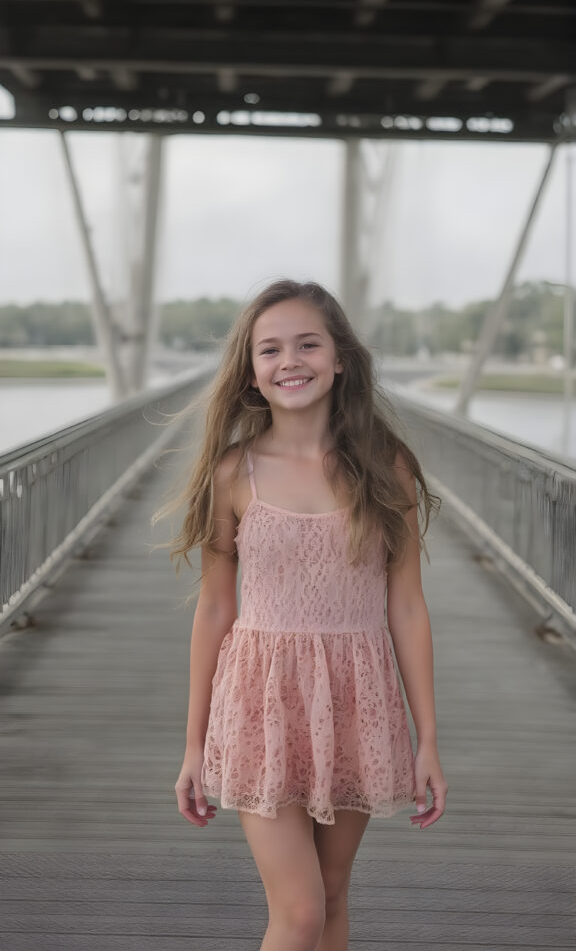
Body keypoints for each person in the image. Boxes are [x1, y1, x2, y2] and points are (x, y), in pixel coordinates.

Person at [166, 279, 447, 951]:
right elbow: (214, 608)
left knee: (331, 896)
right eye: (270, 349)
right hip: (261, 702)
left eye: (307, 343)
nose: (289, 359)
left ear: (341, 358)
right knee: (296, 914)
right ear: (252, 374)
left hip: (357, 698)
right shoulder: (234, 474)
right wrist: (192, 743)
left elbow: (406, 605)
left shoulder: (387, 468)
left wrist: (427, 738)